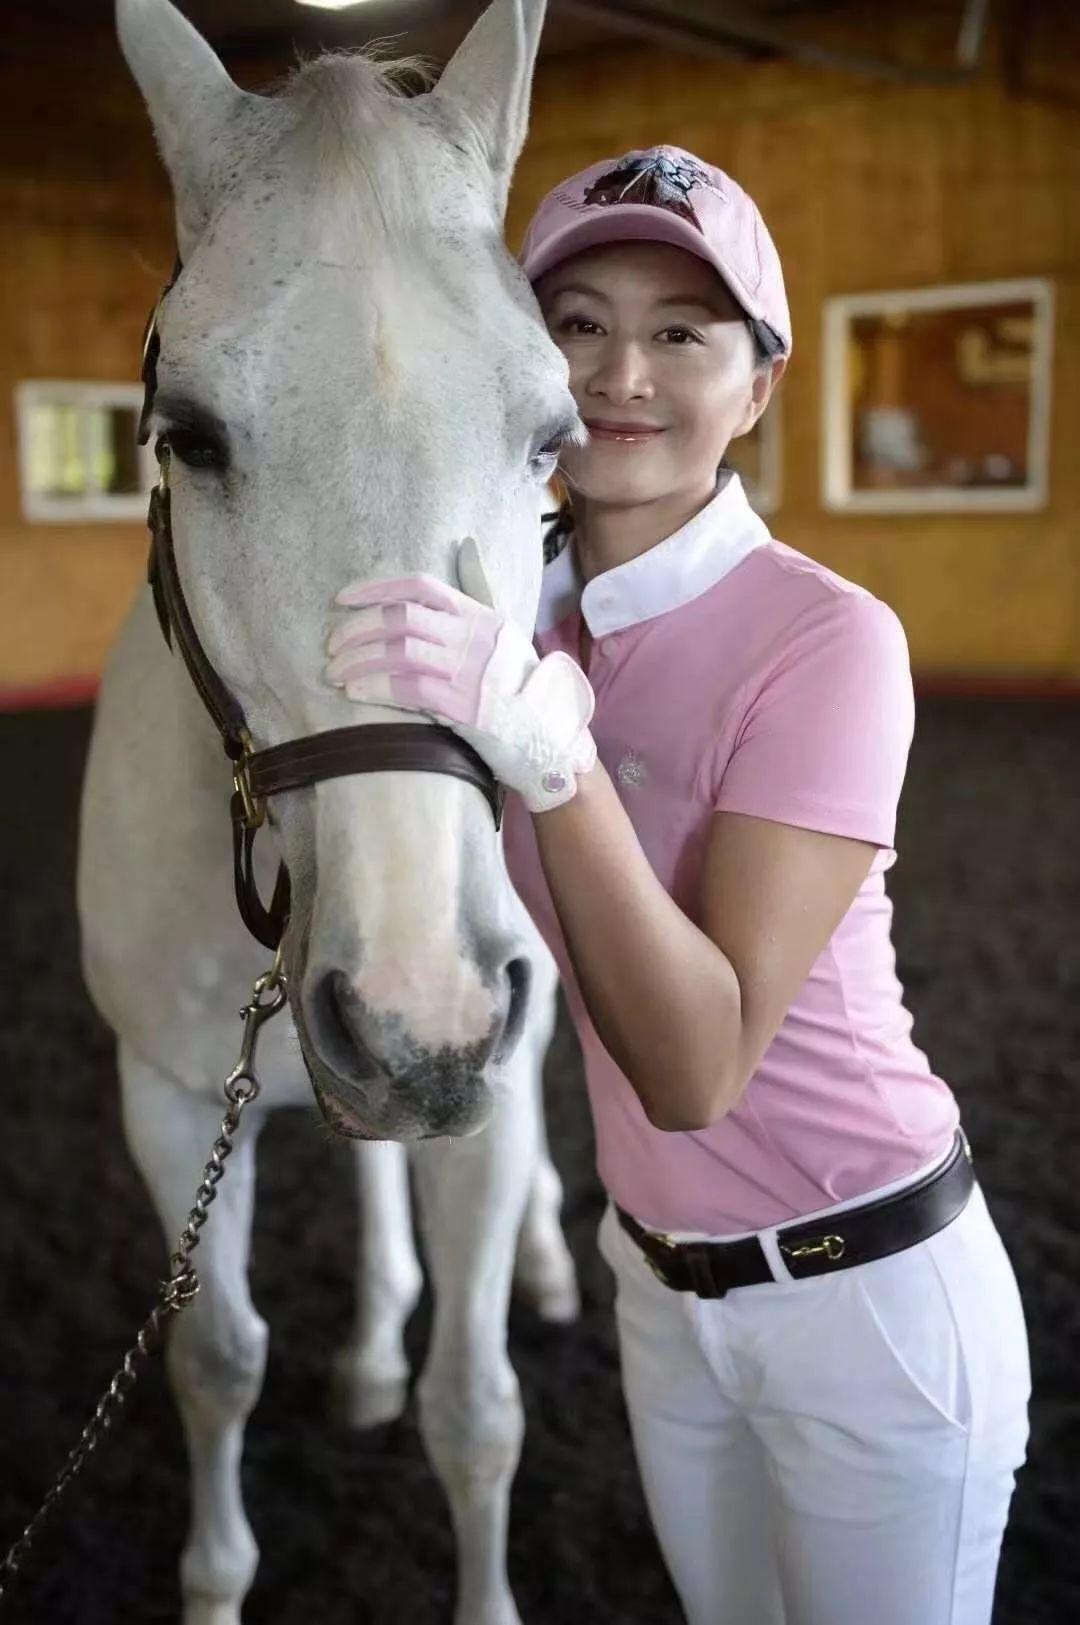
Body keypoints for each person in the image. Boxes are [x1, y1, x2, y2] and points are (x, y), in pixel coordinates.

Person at [323, 146, 1031, 1625]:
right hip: (657, 1286)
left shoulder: (830, 640)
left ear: (756, 388)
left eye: (680, 333)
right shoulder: (507, 617)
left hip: (868, 1297)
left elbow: (697, 1065)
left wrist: (549, 757)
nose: (619, 373)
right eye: (575, 322)